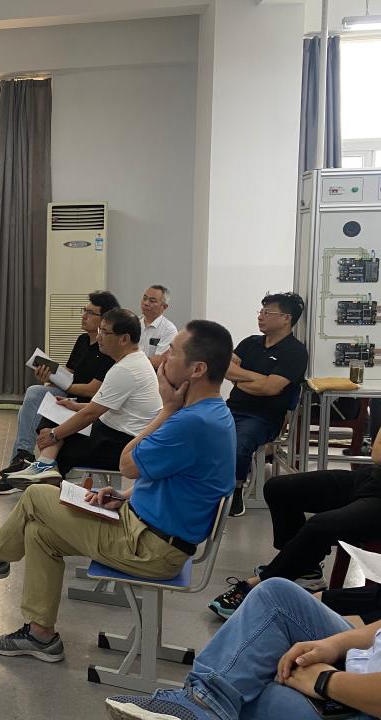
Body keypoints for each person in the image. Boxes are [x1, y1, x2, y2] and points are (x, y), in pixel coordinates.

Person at [0, 321, 235, 663]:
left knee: (37, 495)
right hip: (149, 530)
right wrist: (126, 496)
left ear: (197, 369)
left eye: (172, 352)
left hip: (150, 548)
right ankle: (40, 636)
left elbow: (127, 464)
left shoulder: (190, 421)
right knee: (39, 533)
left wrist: (167, 410)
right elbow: (179, 478)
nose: (163, 358)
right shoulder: (212, 413)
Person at [104, 579, 381, 720]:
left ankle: (203, 704)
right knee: (275, 595)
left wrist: (325, 681)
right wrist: (333, 645)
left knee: (247, 688)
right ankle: (202, 703)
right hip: (366, 666)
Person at [208, 433, 381, 619]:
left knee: (319, 526)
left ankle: (263, 583)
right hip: (371, 479)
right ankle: (306, 572)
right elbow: (377, 453)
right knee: (278, 489)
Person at [0, 308, 161, 494]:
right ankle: (44, 466)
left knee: (60, 440)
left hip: (121, 444)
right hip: (115, 431)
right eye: (100, 330)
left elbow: (91, 414)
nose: (99, 336)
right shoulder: (133, 360)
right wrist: (74, 406)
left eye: (105, 332)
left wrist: (54, 435)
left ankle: (45, 476)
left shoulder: (125, 369)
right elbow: (108, 406)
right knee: (57, 410)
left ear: (124, 339)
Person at [3, 290, 118, 475]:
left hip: (86, 402)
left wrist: (65, 386)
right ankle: (22, 456)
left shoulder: (107, 349)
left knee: (33, 397)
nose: (84, 316)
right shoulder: (82, 340)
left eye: (90, 313)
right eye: (84, 310)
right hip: (70, 394)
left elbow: (92, 390)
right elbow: (69, 373)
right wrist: (50, 378)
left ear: (104, 320)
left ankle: (22, 458)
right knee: (33, 398)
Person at [225, 292, 308, 517]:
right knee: (196, 431)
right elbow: (226, 369)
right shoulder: (250, 343)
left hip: (265, 416)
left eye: (267, 312)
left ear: (286, 318)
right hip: (231, 407)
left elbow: (270, 389)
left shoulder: (295, 352)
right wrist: (257, 378)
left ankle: (235, 492)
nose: (260, 316)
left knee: (238, 444)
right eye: (261, 311)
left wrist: (240, 379)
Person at [139, 284, 178, 370]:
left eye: (152, 301)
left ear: (164, 307)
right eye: (144, 298)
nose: (146, 303)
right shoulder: (134, 323)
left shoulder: (169, 330)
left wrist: (131, 362)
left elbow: (159, 361)